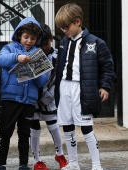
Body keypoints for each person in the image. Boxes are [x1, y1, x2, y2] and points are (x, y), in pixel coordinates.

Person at [54, 3, 116, 170]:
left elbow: (108, 67)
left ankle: (97, 165)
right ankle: (73, 163)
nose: (64, 30)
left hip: (82, 89)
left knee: (86, 127)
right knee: (67, 125)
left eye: (66, 27)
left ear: (78, 21)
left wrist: (104, 86)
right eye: (61, 28)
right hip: (64, 87)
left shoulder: (96, 42)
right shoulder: (62, 43)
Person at [0, 17, 48, 170]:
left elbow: (42, 81)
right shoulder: (9, 48)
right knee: (5, 131)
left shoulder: (38, 54)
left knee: (25, 134)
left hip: (29, 101)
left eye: (33, 38)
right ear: (19, 35)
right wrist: (17, 58)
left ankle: (23, 164)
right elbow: (1, 60)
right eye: (26, 37)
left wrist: (36, 72)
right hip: (10, 98)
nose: (29, 41)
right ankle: (1, 163)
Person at [30, 24, 68, 170]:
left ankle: (60, 154)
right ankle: (37, 161)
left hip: (49, 98)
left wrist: (47, 98)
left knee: (53, 125)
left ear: (52, 39)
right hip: (33, 98)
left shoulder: (58, 57)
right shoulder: (33, 56)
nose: (43, 47)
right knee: (34, 128)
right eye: (40, 44)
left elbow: (58, 81)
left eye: (46, 44)